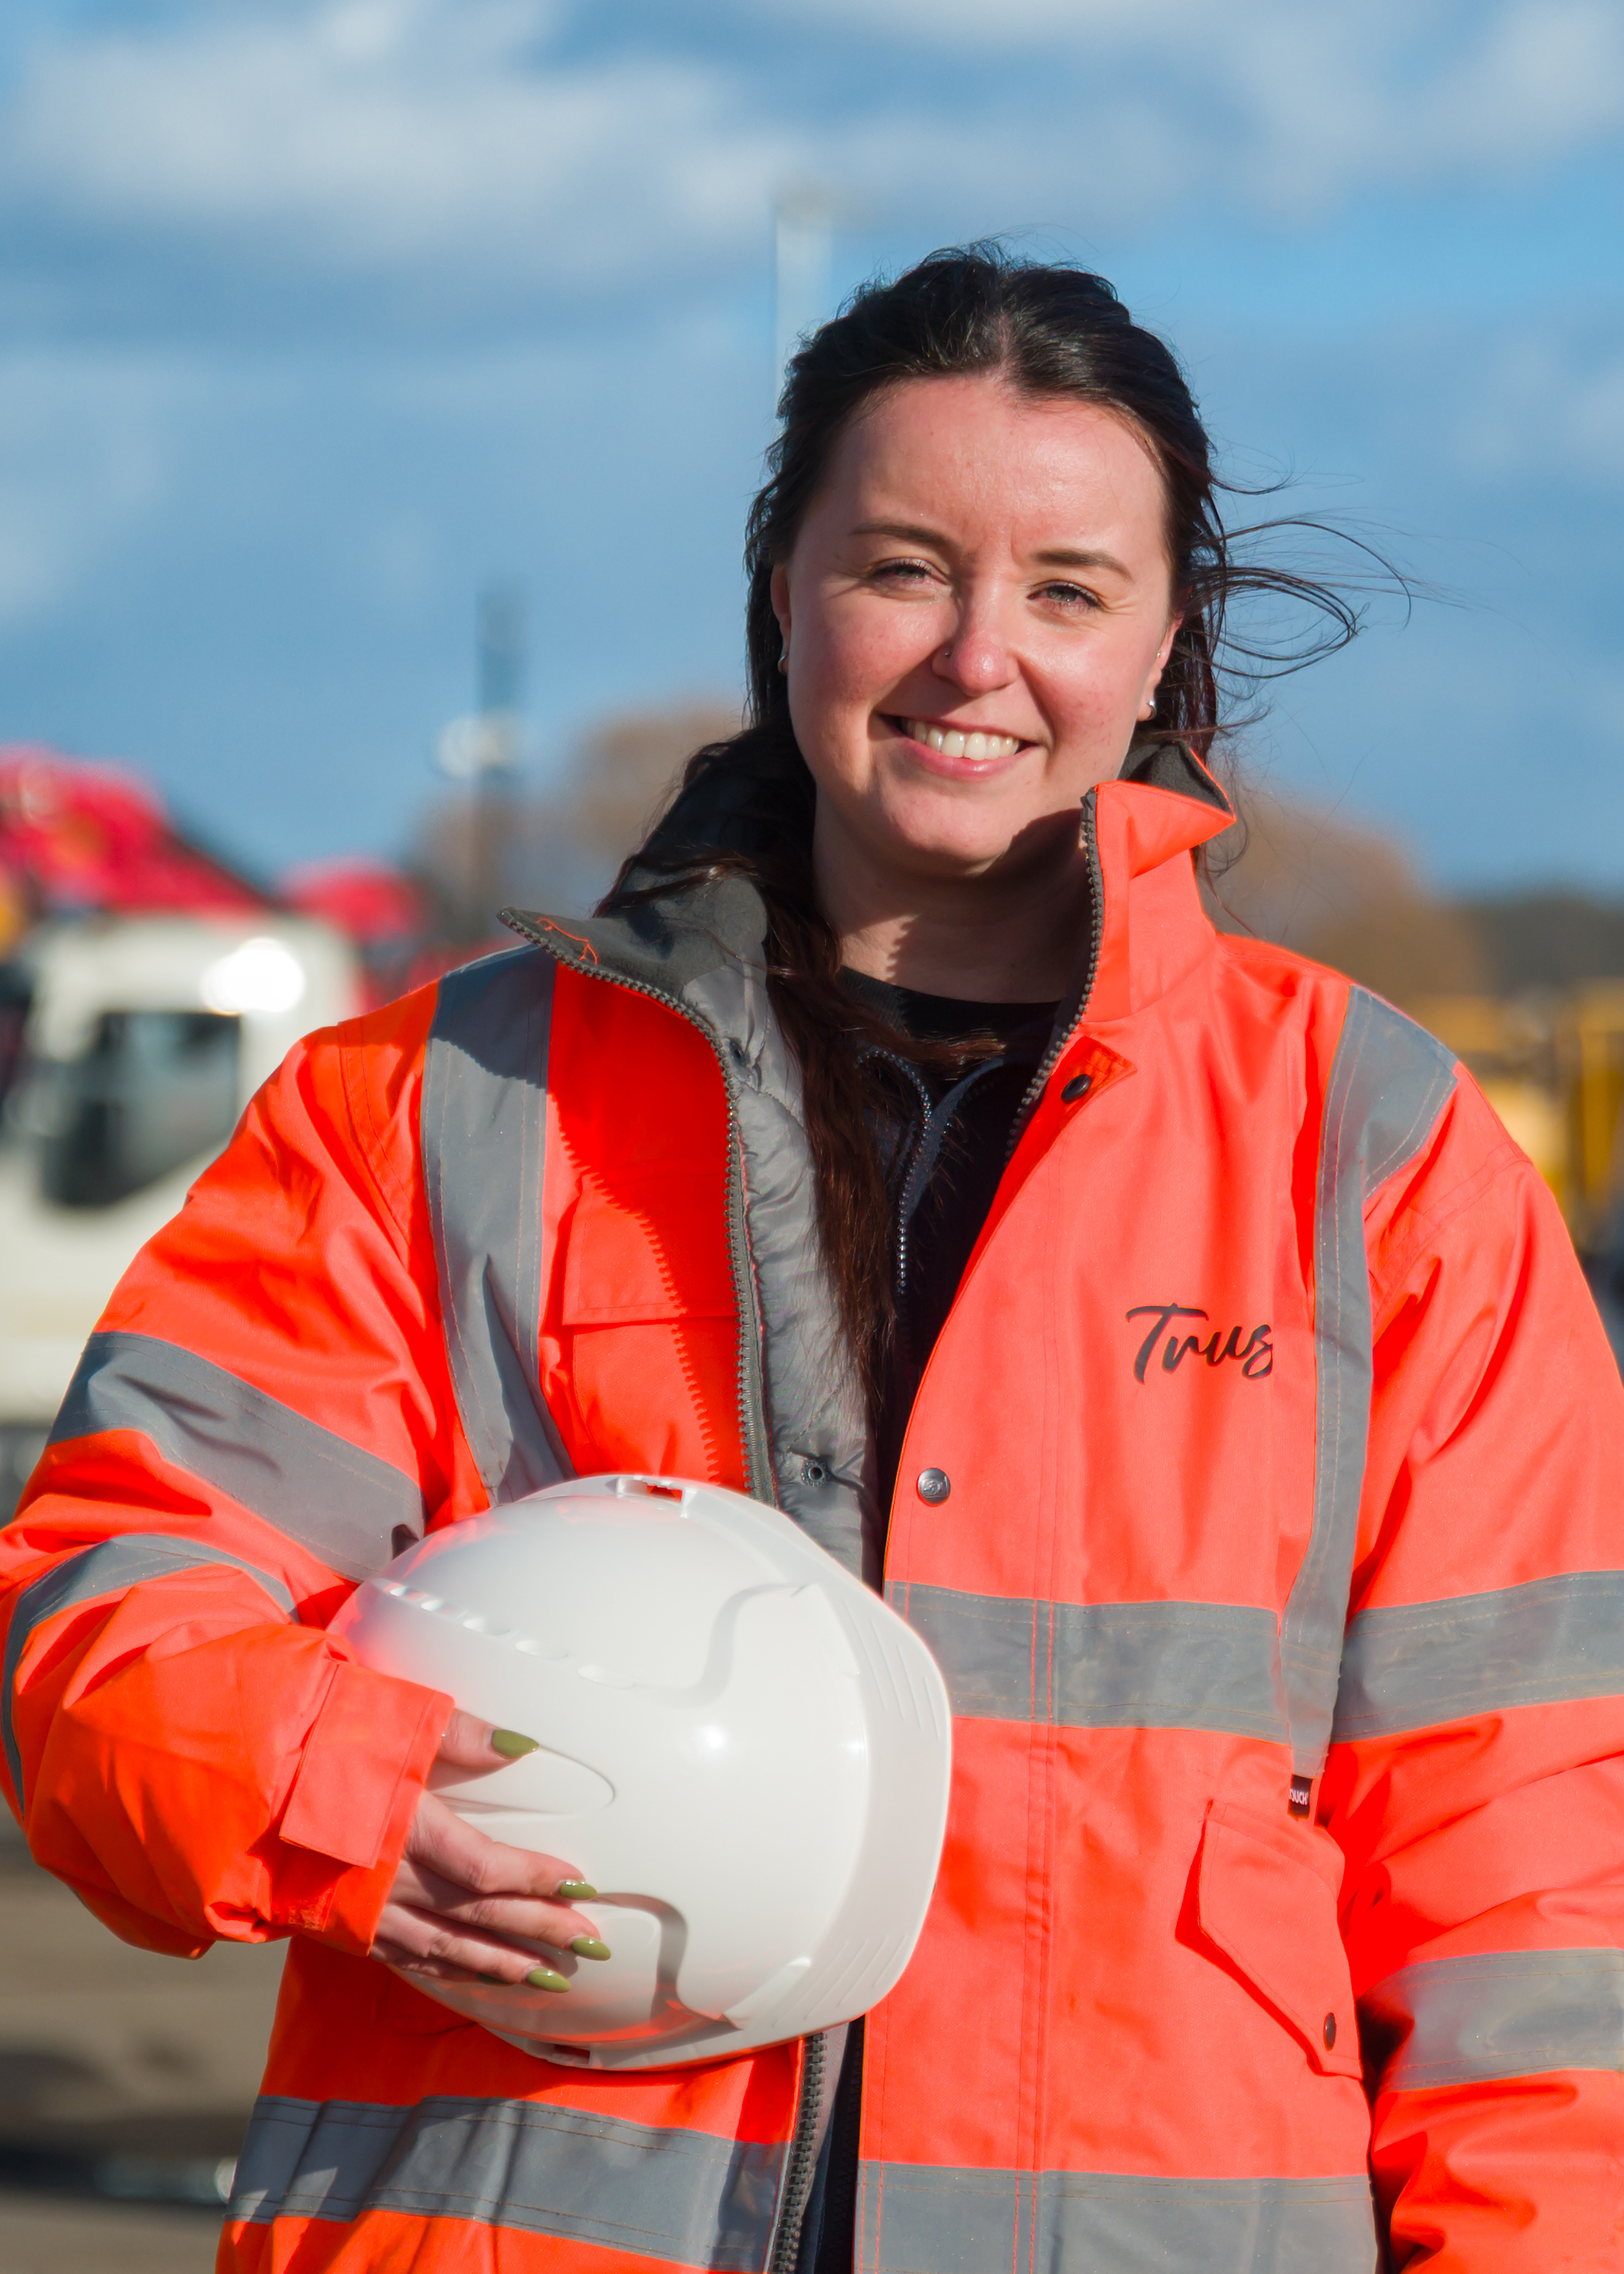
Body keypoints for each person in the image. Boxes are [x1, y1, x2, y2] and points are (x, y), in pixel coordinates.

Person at [2, 246, 1620, 2274]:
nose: (973, 658)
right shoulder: (434, 1101)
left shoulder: (1366, 1148)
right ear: (780, 595)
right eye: (899, 566)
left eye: (1063, 588)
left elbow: (1534, 1872)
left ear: (1160, 646)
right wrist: (333, 1780)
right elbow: (112, 1591)